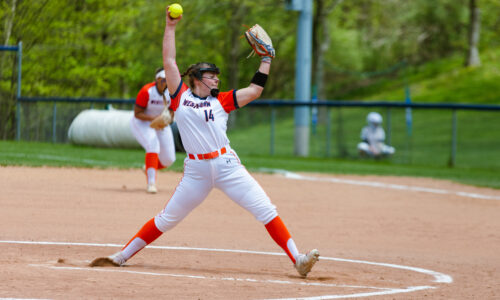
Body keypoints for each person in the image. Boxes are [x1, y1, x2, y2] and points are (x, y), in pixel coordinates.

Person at [90, 6, 320, 277]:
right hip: (196, 172)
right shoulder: (180, 96)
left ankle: (298, 259)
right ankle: (121, 255)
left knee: (266, 209)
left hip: (227, 165)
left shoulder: (222, 100)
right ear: (197, 79)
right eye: (212, 76)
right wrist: (170, 27)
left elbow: (255, 90)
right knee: (167, 219)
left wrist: (266, 60)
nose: (217, 79)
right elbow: (170, 60)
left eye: (217, 76)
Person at [130, 68, 176, 193]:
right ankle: (151, 184)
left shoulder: (171, 92)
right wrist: (154, 119)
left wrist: (168, 119)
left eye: (168, 80)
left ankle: (149, 167)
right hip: (142, 122)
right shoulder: (147, 91)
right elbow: (137, 113)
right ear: (157, 79)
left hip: (160, 122)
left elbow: (172, 111)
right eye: (164, 80)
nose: (166, 82)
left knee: (169, 159)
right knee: (153, 144)